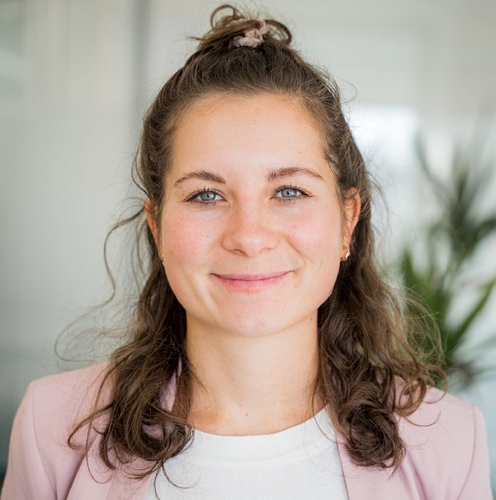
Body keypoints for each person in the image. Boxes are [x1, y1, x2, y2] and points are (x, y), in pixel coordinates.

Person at [1, 4, 492, 499]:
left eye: (289, 191)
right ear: (156, 226)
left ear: (347, 221)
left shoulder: (450, 441)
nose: (249, 236)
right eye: (206, 195)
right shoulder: (52, 428)